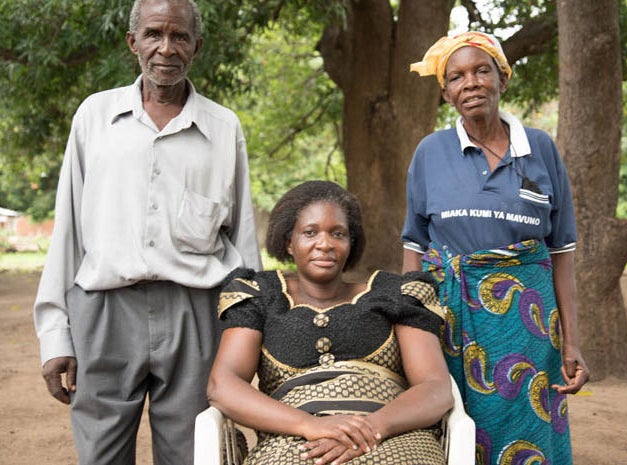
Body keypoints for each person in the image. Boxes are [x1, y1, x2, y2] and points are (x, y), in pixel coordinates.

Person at [33, 0, 262, 463]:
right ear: (132, 42)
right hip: (103, 311)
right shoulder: (94, 118)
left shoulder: (223, 128)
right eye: (154, 34)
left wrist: (247, 333)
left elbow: (243, 242)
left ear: (196, 46)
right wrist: (56, 335)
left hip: (194, 314)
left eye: (179, 36)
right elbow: (68, 235)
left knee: (190, 451)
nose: (166, 48)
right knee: (101, 453)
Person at [402, 31, 590, 465]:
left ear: (502, 79)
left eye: (481, 71)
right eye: (457, 77)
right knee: (449, 425)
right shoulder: (430, 152)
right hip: (447, 320)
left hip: (527, 324)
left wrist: (571, 342)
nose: (470, 83)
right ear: (446, 92)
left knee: (526, 427)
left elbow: (561, 252)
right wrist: (410, 325)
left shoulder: (539, 149)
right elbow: (413, 246)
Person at [207, 180, 453, 465]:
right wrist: (310, 426)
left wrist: (370, 429)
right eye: (310, 233)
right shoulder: (260, 295)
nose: (324, 244)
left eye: (338, 233)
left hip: (393, 436)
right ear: (289, 242)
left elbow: (435, 387)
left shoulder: (395, 294)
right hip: (292, 441)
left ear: (351, 243)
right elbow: (223, 384)